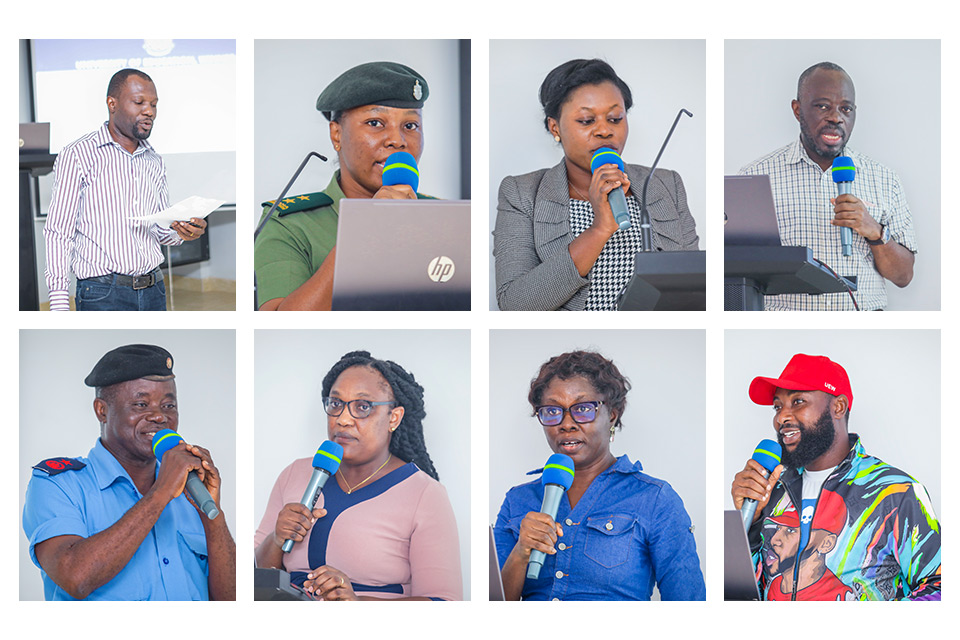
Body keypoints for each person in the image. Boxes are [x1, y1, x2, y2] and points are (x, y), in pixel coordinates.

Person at [22, 344, 236, 600]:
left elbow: (232, 601)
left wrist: (212, 515)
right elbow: (75, 577)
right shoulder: (58, 484)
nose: (159, 417)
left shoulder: (190, 487)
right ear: (102, 410)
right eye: (141, 404)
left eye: (169, 406)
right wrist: (161, 493)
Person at [493, 350, 705, 600]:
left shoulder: (655, 499)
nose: (566, 423)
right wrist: (521, 553)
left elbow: (689, 603)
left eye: (582, 408)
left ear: (612, 414)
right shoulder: (518, 500)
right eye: (552, 411)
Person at [493, 58, 700, 311]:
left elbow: (695, 288)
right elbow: (514, 305)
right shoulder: (522, 193)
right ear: (554, 126)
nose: (604, 131)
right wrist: (600, 229)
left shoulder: (667, 185)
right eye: (586, 121)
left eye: (615, 118)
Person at [730, 353, 941, 600]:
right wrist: (749, 524)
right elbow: (741, 595)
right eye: (778, 406)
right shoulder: (773, 490)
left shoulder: (896, 492)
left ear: (838, 407)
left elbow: (940, 590)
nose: (781, 418)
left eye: (797, 402)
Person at [254, 350, 462, 600]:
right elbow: (253, 578)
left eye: (363, 407)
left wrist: (358, 604)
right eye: (335, 403)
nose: (342, 419)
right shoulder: (294, 474)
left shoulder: (425, 494)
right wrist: (276, 539)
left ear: (393, 418)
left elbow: (444, 602)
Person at [254, 62, 436, 311]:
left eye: (410, 126)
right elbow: (279, 326)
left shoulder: (443, 217)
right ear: (336, 135)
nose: (397, 140)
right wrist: (361, 232)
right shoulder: (289, 223)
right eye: (375, 123)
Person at [738, 62, 916, 310]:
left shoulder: (885, 179)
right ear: (797, 110)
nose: (836, 117)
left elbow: (903, 276)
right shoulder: (755, 177)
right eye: (823, 106)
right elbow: (740, 271)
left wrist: (874, 231)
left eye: (846, 109)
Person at [43, 68, 208, 311]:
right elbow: (59, 231)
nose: (149, 111)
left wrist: (183, 232)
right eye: (139, 102)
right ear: (112, 103)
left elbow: (159, 230)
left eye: (153, 104)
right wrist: (58, 303)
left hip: (154, 289)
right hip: (102, 293)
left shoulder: (154, 160)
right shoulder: (77, 155)